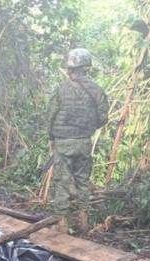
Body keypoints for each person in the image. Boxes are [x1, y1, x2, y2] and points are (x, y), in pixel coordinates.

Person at [46, 48, 109, 233]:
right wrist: (87, 129)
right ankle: (83, 219)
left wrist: (51, 137)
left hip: (63, 142)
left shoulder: (60, 89)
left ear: (69, 69)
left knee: (62, 181)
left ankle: (62, 224)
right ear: (87, 68)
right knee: (83, 180)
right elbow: (103, 118)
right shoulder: (97, 90)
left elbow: (51, 116)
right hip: (84, 142)